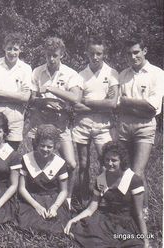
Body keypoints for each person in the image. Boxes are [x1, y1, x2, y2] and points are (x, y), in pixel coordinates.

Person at [28, 37, 82, 209]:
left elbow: (75, 98)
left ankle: (67, 198)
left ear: (62, 55)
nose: (51, 59)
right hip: (40, 123)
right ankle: (34, 196)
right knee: (36, 161)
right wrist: (43, 102)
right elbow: (30, 98)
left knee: (71, 164)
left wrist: (51, 89)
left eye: (55, 56)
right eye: (48, 55)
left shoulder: (71, 74)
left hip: (60, 124)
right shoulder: (37, 72)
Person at [64, 141, 149, 248]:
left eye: (114, 160)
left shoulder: (134, 180)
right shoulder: (100, 179)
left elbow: (139, 214)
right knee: (77, 228)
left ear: (122, 161)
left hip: (125, 223)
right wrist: (74, 219)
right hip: (105, 219)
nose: (109, 163)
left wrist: (146, 242)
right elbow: (91, 209)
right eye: (107, 159)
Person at [116, 36, 164, 219]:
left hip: (145, 126)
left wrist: (128, 101)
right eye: (129, 53)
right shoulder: (123, 74)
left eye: (136, 52)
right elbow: (118, 105)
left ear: (145, 51)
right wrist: (136, 105)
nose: (133, 56)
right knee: (125, 170)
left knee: (138, 172)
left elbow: (152, 105)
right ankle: (125, 207)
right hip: (124, 125)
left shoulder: (157, 73)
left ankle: (143, 211)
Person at [72, 36, 119, 206]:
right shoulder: (80, 75)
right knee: (83, 164)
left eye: (99, 53)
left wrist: (88, 102)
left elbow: (112, 104)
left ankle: (101, 197)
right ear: (87, 53)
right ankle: (84, 199)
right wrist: (102, 104)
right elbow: (76, 106)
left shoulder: (112, 73)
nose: (95, 57)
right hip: (82, 125)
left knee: (105, 163)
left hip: (103, 126)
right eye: (92, 53)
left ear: (104, 54)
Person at [17, 124, 70, 234]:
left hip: (53, 198)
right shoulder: (27, 159)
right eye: (42, 145)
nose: (45, 149)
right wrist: (36, 205)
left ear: (55, 146)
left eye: (49, 147)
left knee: (58, 224)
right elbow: (21, 188)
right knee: (30, 223)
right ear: (36, 144)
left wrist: (55, 207)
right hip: (33, 198)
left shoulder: (60, 163)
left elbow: (64, 190)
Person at [0, 32, 32, 150]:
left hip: (16, 115)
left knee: (11, 153)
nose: (12, 52)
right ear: (4, 47)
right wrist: (16, 96)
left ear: (20, 50)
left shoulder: (26, 68)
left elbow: (25, 98)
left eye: (15, 49)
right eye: (9, 48)